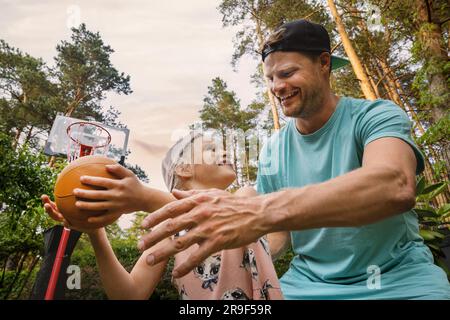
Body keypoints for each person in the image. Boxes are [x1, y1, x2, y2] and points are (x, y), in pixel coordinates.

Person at [136, 20, 450, 299]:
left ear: (324, 63)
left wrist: (259, 211)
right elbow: (276, 234)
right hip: (306, 287)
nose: (277, 87)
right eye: (270, 78)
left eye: (287, 73)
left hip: (399, 283)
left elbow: (394, 185)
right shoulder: (273, 149)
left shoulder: (375, 115)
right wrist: (240, 255)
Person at [42, 132, 283, 300]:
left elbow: (237, 220)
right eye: (211, 149)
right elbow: (130, 294)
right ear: (184, 168)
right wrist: (96, 231)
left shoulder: (245, 197)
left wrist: (143, 196)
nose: (224, 151)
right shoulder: (169, 230)